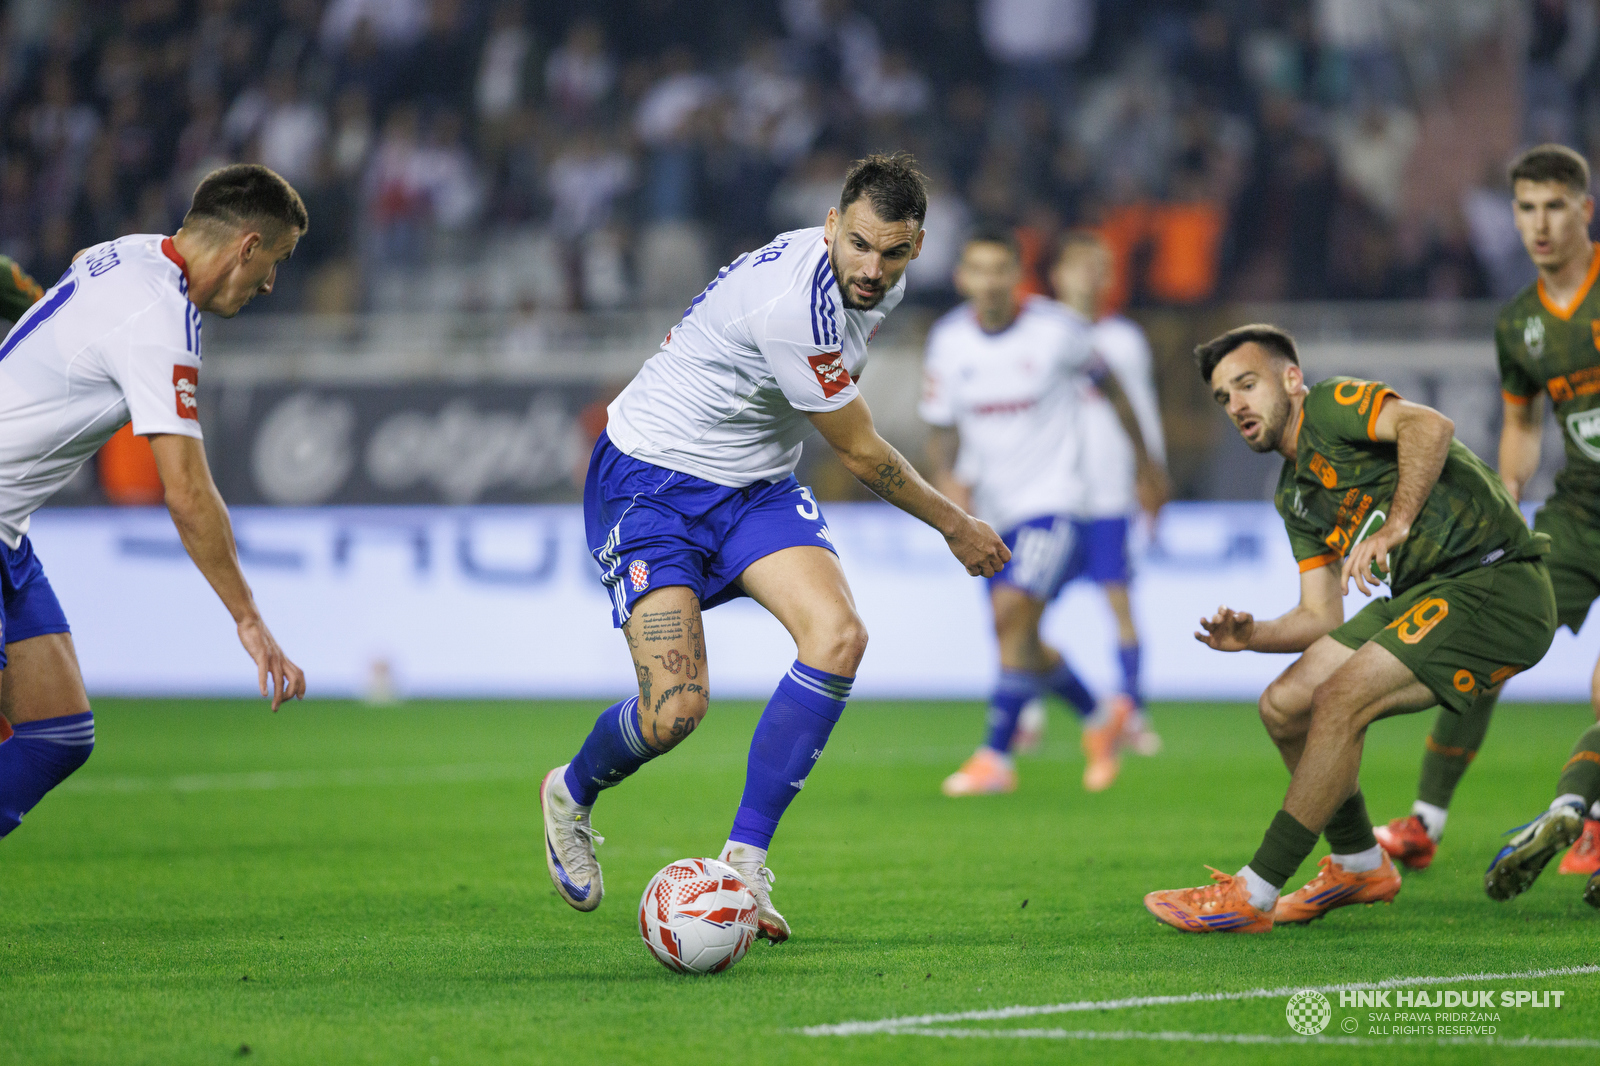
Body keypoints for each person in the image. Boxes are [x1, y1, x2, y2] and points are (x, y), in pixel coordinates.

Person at [539, 154, 1009, 941]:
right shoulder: (795, 305)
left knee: (840, 637)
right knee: (675, 713)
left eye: (892, 253)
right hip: (653, 482)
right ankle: (570, 791)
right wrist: (957, 524)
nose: (873, 267)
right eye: (858, 244)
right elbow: (860, 454)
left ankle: (746, 860)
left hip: (755, 482)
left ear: (917, 248)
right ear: (831, 224)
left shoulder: (873, 280)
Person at [1146, 324, 1555, 933]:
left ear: (1291, 380)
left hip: (1494, 581)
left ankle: (1253, 894)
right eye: (1224, 398)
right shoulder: (1294, 496)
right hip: (1426, 592)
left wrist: (1397, 524)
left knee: (1340, 699)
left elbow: (1431, 426)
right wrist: (1251, 634)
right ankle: (1360, 863)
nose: (1236, 406)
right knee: (1286, 706)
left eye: (1247, 385)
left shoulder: (1333, 406)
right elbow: (1319, 616)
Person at [0, 164, 308, 838]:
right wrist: (248, 619)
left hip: (6, 531)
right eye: (276, 260)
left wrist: (26, 297)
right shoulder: (163, 321)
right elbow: (189, 495)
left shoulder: (132, 248)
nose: (271, 283)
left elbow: (81, 266)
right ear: (247, 246)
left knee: (56, 734)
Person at [1375, 145, 1600, 880]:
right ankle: (1425, 822)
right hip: (1576, 515)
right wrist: (1508, 493)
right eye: (1527, 208)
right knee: (1489, 643)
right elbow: (1525, 422)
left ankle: (1588, 817)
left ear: (1584, 210)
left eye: (1555, 206)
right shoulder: (1518, 324)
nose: (1540, 223)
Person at [922, 229, 1166, 797]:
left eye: (1000, 270)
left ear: (1017, 276)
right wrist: (946, 483)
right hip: (992, 509)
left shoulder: (1058, 332)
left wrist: (1147, 469)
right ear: (962, 278)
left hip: (1056, 502)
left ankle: (995, 758)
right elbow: (941, 426)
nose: (989, 282)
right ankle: (1099, 715)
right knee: (1020, 638)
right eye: (977, 270)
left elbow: (1118, 394)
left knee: (1014, 614)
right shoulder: (948, 341)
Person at [1019, 230, 1166, 754]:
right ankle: (1026, 711)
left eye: (1102, 266)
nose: (1093, 275)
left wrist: (1153, 475)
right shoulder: (1034, 331)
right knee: (1025, 607)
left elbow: (1141, 410)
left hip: (1106, 490)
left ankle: (1133, 711)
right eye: (1082, 264)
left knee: (1120, 601)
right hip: (1047, 489)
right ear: (1056, 274)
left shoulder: (1125, 339)